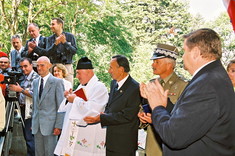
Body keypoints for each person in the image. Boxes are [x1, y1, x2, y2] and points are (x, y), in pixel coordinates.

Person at [140, 28, 235, 156]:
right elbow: (190, 118)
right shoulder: (212, 77)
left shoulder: (206, 84)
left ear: (195, 52)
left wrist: (157, 107)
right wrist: (165, 104)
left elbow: (174, 136)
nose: (183, 57)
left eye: (185, 51)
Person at [84, 55, 141, 156]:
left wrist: (102, 118)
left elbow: (127, 115)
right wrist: (104, 113)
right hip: (111, 141)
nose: (109, 71)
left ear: (121, 69)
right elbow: (111, 106)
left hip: (124, 144)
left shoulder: (135, 88)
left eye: (111, 67)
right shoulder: (114, 83)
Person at [138, 43, 187, 156]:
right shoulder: (152, 84)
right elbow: (144, 109)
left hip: (169, 148)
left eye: (157, 62)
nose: (152, 64)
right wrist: (142, 117)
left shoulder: (183, 86)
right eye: (153, 61)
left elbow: (182, 120)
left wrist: (155, 119)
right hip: (152, 146)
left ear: (169, 65)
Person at [54, 56, 109, 156]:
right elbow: (66, 109)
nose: (77, 76)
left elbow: (94, 110)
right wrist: (68, 98)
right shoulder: (81, 87)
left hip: (89, 134)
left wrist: (74, 99)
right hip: (74, 134)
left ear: (88, 71)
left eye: (79, 73)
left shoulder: (99, 87)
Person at [32, 56, 64, 156]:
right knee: (38, 153)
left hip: (51, 126)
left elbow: (61, 106)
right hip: (37, 126)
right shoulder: (35, 82)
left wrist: (58, 126)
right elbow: (35, 104)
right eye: (37, 66)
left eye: (42, 65)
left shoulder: (57, 82)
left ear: (49, 66)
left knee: (49, 153)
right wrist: (34, 121)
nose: (39, 68)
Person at [8, 57, 39, 156]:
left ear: (31, 65)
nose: (23, 69)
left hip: (31, 111)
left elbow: (36, 95)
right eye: (21, 67)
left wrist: (20, 89)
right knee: (27, 136)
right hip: (22, 108)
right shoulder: (24, 77)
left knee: (30, 138)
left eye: (25, 66)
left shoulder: (36, 78)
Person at [46, 17, 77, 85]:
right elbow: (47, 53)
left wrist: (65, 43)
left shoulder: (70, 36)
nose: (51, 26)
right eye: (51, 24)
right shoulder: (50, 39)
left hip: (67, 67)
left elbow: (74, 51)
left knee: (67, 89)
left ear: (60, 25)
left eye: (53, 24)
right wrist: (55, 44)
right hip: (54, 68)